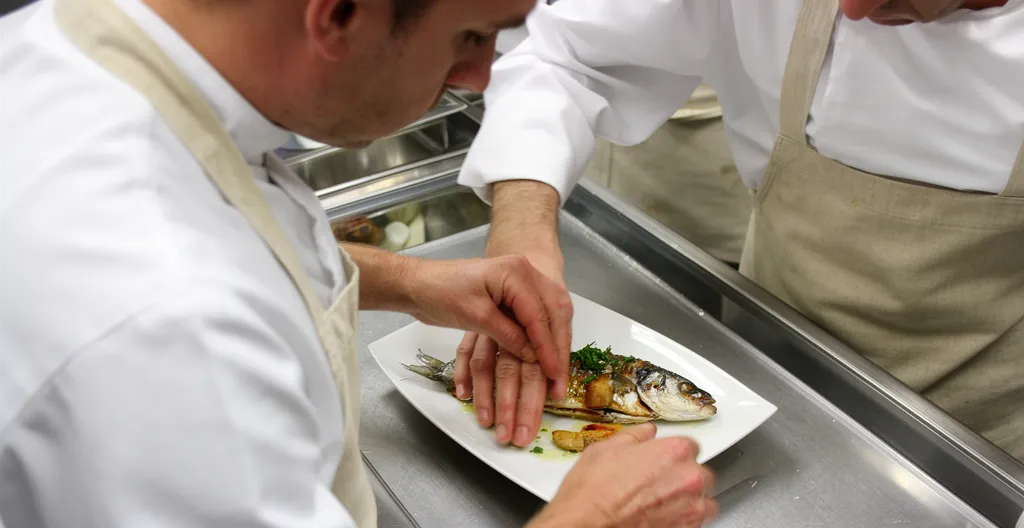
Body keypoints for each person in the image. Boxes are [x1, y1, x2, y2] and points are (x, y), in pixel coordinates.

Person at [0, 0, 717, 527]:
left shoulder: (71, 35)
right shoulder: (171, 334)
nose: (478, 76)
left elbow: (224, 224)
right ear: (338, 14)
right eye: (470, 35)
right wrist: (585, 520)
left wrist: (410, 281)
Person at [454, 0, 1024, 461]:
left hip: (986, 432)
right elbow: (565, 56)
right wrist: (522, 232)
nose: (850, 10)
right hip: (764, 361)